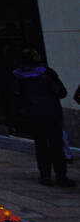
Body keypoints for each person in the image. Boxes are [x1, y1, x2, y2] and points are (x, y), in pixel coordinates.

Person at [12, 48, 74, 188]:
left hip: (33, 115)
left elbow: (16, 95)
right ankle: (61, 176)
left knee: (41, 145)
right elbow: (61, 92)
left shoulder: (19, 75)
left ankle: (45, 175)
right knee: (56, 146)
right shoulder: (47, 73)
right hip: (51, 113)